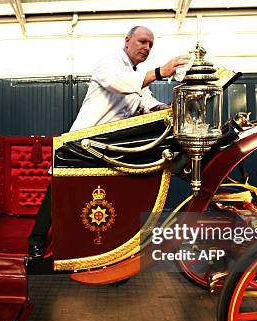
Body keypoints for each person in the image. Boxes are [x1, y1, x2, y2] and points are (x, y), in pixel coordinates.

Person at [28, 25, 192, 258]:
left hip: (112, 145)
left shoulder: (137, 73)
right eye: (142, 42)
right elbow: (122, 84)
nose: (146, 47)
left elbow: (147, 103)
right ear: (127, 41)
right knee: (60, 193)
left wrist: (169, 107)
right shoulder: (110, 64)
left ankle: (105, 254)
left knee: (110, 198)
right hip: (83, 142)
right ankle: (36, 240)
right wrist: (161, 71)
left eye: (150, 45)